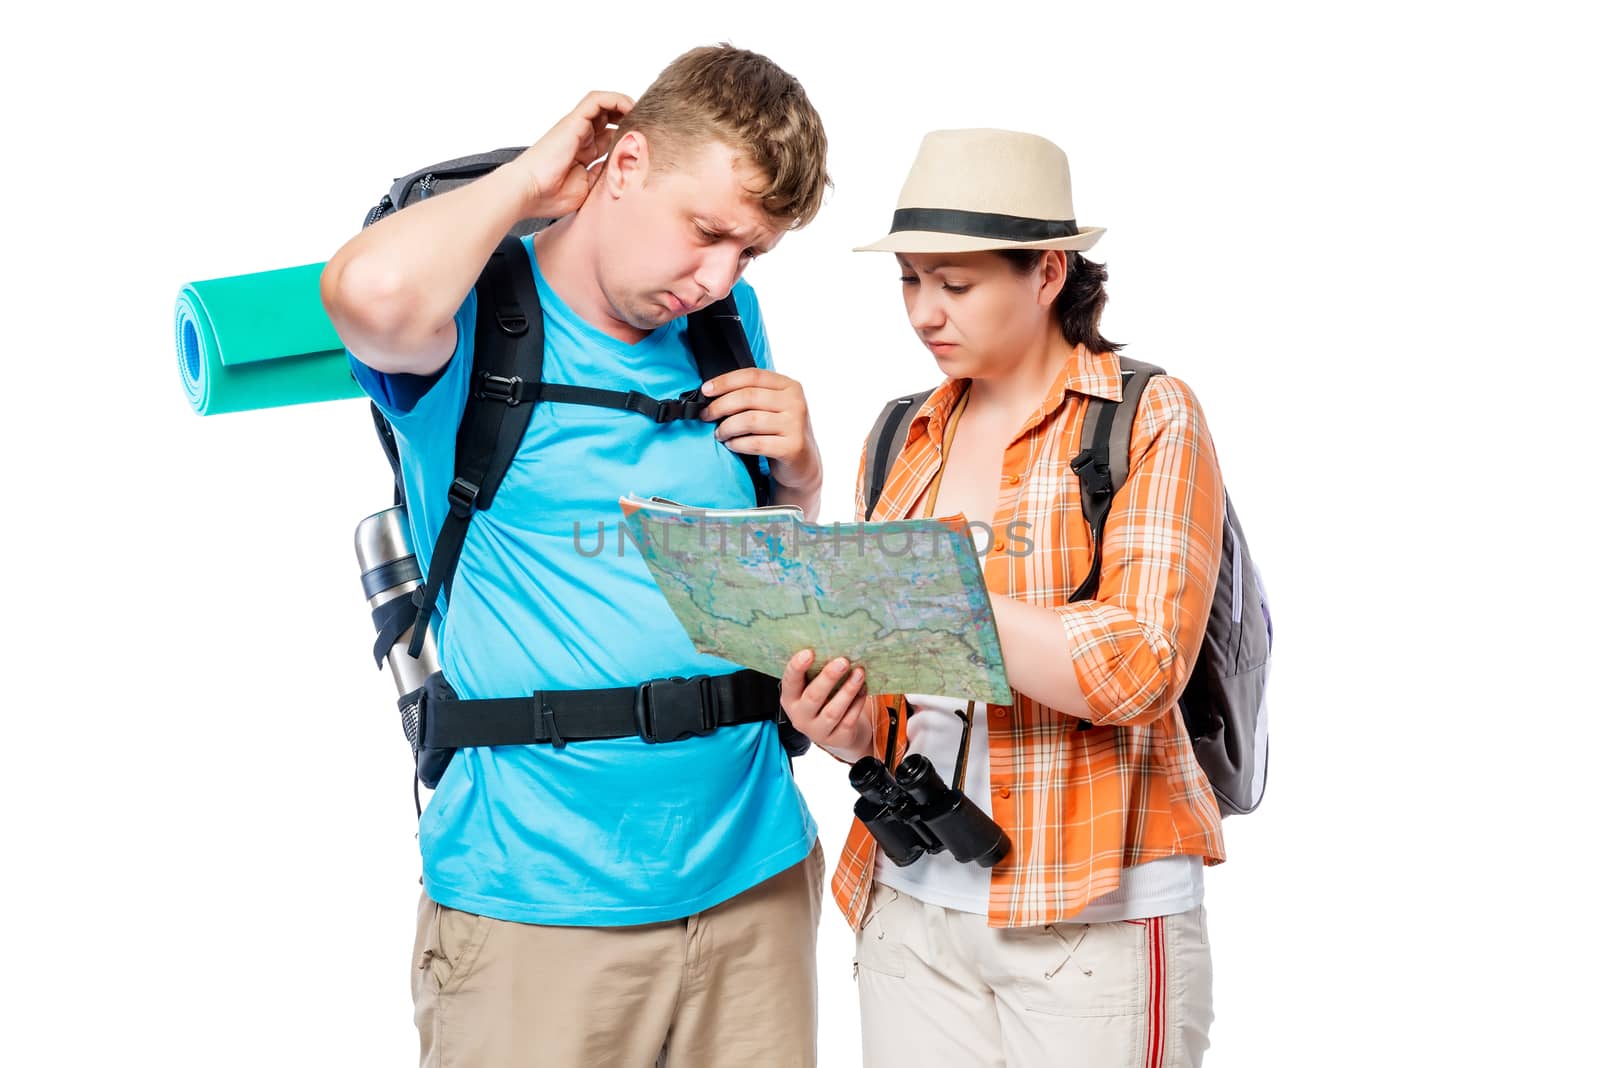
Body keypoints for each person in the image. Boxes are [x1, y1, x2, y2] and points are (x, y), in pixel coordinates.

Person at [320, 45, 831, 1068]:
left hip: (755, 876)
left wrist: (803, 480)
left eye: (751, 253)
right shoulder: (472, 320)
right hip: (537, 902)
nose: (719, 276)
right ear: (627, 163)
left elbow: (760, 587)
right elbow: (365, 295)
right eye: (707, 234)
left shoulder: (724, 324)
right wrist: (526, 182)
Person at [780, 129, 1226, 1067]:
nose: (923, 313)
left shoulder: (1150, 416)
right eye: (909, 281)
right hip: (910, 901)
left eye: (956, 282)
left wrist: (939, 597)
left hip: (1090, 918)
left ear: (1048, 272)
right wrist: (852, 729)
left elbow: (1140, 667)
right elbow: (897, 670)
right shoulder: (904, 431)